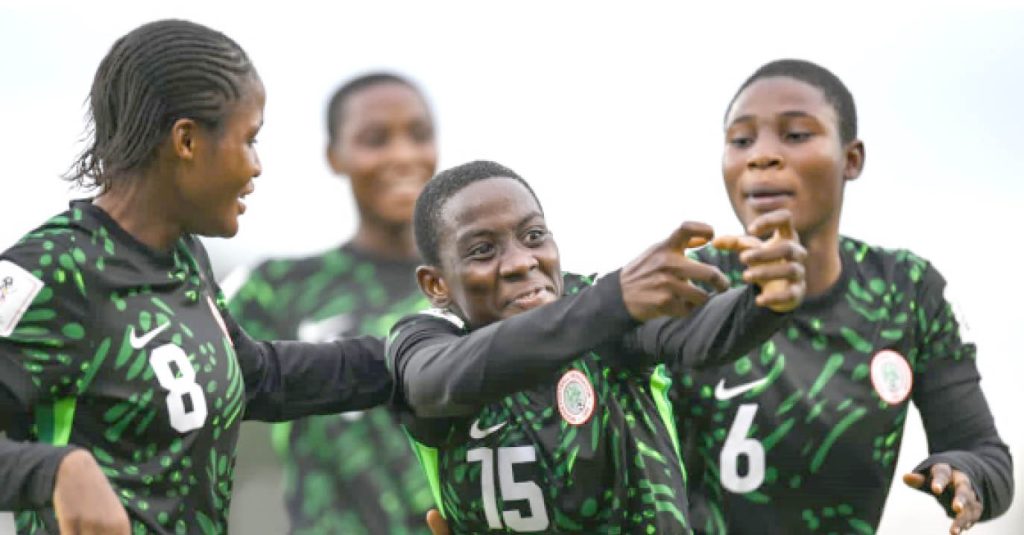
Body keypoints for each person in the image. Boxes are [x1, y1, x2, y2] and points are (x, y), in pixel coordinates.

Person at [0, 19, 394, 535]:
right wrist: (59, 470)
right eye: (249, 139)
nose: (257, 166)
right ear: (186, 140)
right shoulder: (51, 271)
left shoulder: (184, 258)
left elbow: (259, 377)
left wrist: (411, 355)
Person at [673, 59, 1014, 535]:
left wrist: (965, 474)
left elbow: (987, 456)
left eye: (795, 135)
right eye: (741, 140)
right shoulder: (690, 284)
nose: (762, 156)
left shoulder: (908, 292)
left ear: (851, 159)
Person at [387, 160, 808, 533]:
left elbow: (700, 335)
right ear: (436, 283)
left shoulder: (603, 311)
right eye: (483, 250)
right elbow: (432, 382)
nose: (521, 262)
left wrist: (762, 299)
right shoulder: (426, 341)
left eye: (533, 236)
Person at [228, 72, 437, 534]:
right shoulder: (278, 289)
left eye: (419, 136)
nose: (402, 155)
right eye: (375, 139)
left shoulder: (479, 290)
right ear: (334, 156)